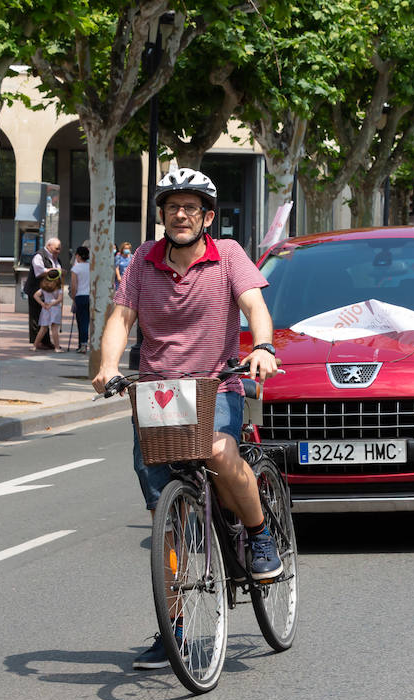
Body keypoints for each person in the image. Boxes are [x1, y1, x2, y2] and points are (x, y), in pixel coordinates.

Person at [91, 167, 282, 671]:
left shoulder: (230, 257)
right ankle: (171, 629)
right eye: (173, 206)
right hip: (157, 395)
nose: (181, 214)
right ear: (162, 216)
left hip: (216, 384)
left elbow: (254, 305)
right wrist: (108, 367)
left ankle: (259, 532)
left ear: (207, 217)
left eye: (191, 207)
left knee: (220, 450)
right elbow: (120, 319)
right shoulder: (141, 263)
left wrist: (262, 344)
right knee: (166, 520)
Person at [29, 237, 62, 348]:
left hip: (49, 290)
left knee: (46, 322)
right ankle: (37, 342)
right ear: (49, 246)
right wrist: (55, 272)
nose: (58, 251)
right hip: (38, 288)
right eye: (57, 248)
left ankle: (45, 342)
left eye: (59, 249)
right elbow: (39, 271)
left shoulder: (55, 257)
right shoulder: (39, 256)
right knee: (37, 318)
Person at [33, 269, 64, 351]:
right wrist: (52, 304)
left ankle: (34, 346)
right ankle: (57, 347)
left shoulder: (44, 288)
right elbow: (60, 299)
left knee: (43, 329)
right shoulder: (58, 288)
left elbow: (36, 295)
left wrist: (42, 303)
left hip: (45, 308)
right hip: (55, 308)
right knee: (54, 329)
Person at [69, 245, 91, 353]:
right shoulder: (92, 267)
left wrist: (73, 297)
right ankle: (86, 343)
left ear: (77, 255)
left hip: (80, 296)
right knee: (89, 321)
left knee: (81, 321)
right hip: (91, 296)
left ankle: (82, 344)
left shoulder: (76, 268)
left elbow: (74, 285)